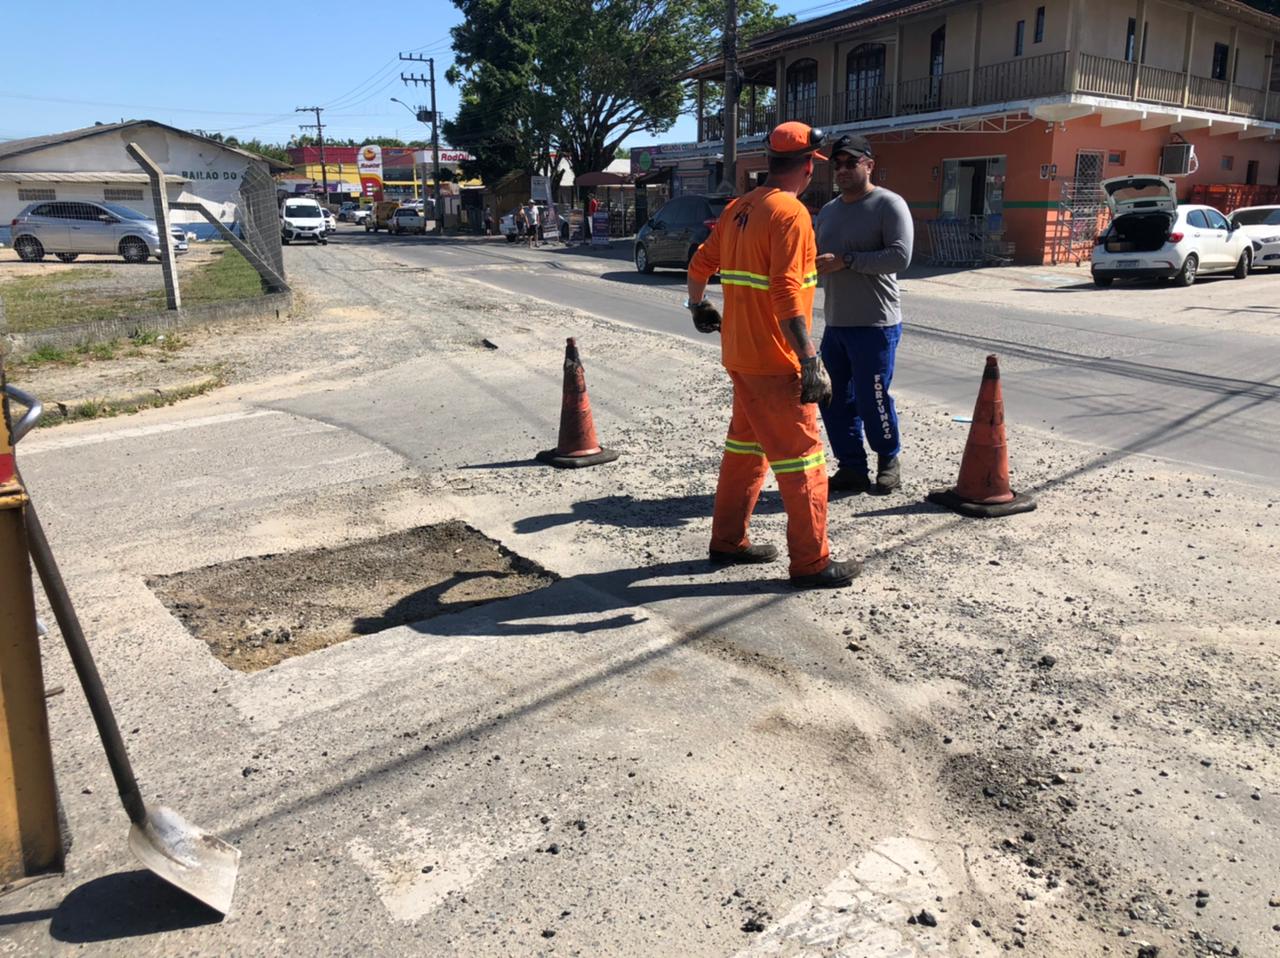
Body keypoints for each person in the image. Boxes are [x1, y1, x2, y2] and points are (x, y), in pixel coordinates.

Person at [685, 121, 862, 589]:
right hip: (775, 362)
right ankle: (811, 563)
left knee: (744, 451)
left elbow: (701, 263)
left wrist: (697, 305)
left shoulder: (737, 208)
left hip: (741, 358)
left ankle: (727, 541)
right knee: (804, 458)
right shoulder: (791, 213)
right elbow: (786, 291)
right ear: (807, 166)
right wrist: (810, 360)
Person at [814, 133, 914, 496]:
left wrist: (847, 260)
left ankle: (888, 460)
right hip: (836, 323)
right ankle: (852, 467)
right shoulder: (828, 211)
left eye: (849, 162)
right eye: (836, 164)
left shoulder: (889, 204)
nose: (841, 170)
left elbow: (900, 256)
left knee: (873, 397)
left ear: (868, 165)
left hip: (876, 324)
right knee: (834, 399)